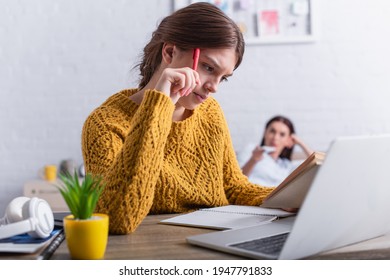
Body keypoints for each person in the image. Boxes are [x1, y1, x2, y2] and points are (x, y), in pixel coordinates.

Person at [81, 2, 275, 235]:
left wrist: (291, 196)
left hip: (216, 245)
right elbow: (116, 218)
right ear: (170, 52)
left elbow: (234, 187)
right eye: (208, 68)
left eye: (223, 78)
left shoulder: (210, 112)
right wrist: (159, 105)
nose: (213, 87)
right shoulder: (105, 123)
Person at [240, 115, 313, 186]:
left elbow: (317, 164)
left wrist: (300, 142)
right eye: (272, 131)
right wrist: (253, 160)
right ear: (265, 133)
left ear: (288, 140)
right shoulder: (251, 150)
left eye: (282, 134)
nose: (275, 137)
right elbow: (236, 180)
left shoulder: (286, 165)